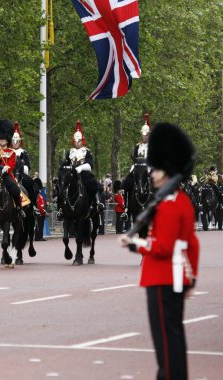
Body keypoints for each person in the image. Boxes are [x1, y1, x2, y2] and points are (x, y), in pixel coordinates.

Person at [118, 122, 199, 380]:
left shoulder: (169, 204)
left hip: (163, 278)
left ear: (166, 171)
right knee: (172, 339)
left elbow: (162, 246)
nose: (151, 174)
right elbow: (192, 245)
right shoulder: (180, 200)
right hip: (174, 278)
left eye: (155, 170)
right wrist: (191, 279)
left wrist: (133, 243)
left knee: (166, 343)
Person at [57, 120, 102, 219]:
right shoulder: (70, 151)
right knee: (60, 185)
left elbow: (90, 165)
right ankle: (60, 208)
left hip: (83, 173)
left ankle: (97, 202)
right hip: (71, 174)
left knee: (93, 184)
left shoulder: (87, 151)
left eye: (79, 141)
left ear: (82, 140)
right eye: (76, 141)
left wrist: (80, 168)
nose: (77, 143)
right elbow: (67, 162)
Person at [11, 121, 39, 213]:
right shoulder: (7, 151)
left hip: (21, 174)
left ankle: (33, 205)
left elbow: (27, 166)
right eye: (14, 141)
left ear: (20, 141)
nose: (15, 143)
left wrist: (22, 168)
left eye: (17, 141)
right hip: (9, 174)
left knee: (30, 183)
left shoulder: (23, 152)